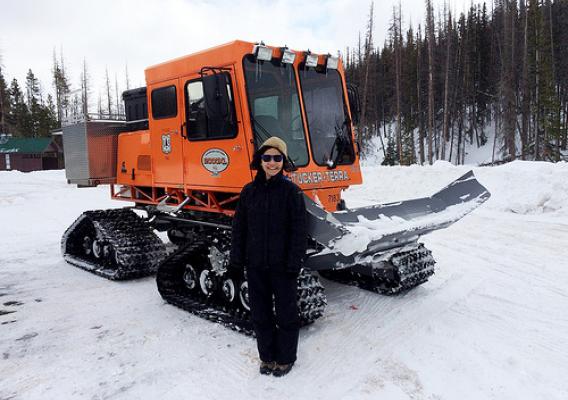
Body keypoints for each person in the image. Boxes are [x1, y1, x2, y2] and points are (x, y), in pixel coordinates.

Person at [230, 137, 308, 377]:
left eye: (277, 158)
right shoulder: (249, 192)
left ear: (283, 162)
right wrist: (236, 260)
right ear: (260, 160)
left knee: (286, 314)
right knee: (260, 315)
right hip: (255, 266)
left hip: (282, 267)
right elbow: (239, 228)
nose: (272, 163)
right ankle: (267, 357)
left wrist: (294, 263)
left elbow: (299, 232)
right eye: (267, 158)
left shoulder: (292, 192)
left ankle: (285, 358)